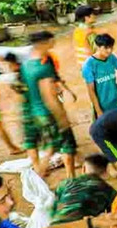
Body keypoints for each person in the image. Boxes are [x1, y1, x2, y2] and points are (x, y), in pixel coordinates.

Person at [20, 30, 79, 179]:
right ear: (42, 43)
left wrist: (67, 91)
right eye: (51, 41)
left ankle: (40, 174)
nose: (53, 43)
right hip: (48, 113)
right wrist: (62, 118)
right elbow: (49, 96)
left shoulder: (27, 65)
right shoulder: (43, 67)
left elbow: (23, 92)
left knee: (50, 146)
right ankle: (69, 179)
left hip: (35, 113)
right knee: (65, 146)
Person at [81, 33, 117, 117]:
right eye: (106, 48)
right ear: (98, 47)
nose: (110, 50)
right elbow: (91, 90)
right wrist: (98, 111)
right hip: (102, 107)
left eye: (111, 47)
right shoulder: (89, 65)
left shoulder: (111, 57)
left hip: (116, 101)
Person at [72, 5, 97, 72]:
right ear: (87, 17)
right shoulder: (88, 31)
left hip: (83, 64)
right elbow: (90, 49)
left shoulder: (78, 30)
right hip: (91, 64)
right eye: (93, 14)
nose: (95, 16)